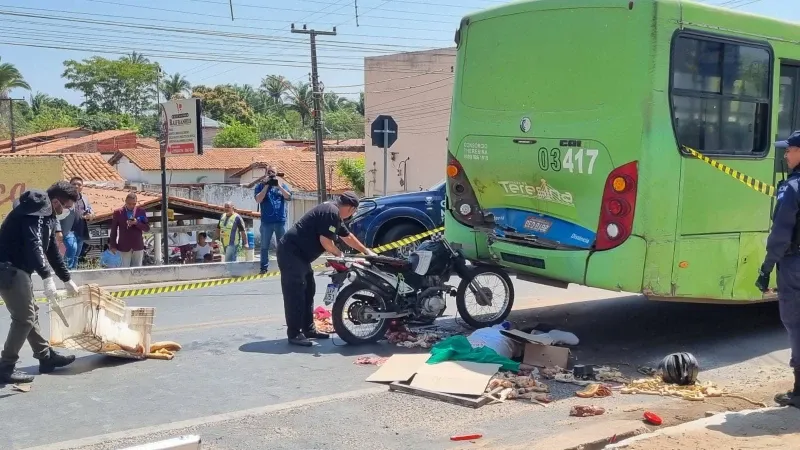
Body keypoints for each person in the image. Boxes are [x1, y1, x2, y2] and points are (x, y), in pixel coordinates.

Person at [0, 181, 81, 383]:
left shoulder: (48, 217)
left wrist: (66, 278)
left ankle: (46, 358)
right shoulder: (37, 207)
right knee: (24, 318)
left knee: (31, 314)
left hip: (17, 268)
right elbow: (34, 243)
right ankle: (5, 366)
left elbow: (51, 249)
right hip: (8, 267)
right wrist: (46, 276)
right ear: (56, 202)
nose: (68, 211)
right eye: (68, 207)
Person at [278, 191, 375, 347]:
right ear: (350, 208)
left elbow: (347, 236)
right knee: (296, 291)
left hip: (301, 257)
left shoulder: (334, 214)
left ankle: (308, 329)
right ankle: (295, 333)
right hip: (291, 253)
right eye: (354, 211)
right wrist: (340, 254)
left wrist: (366, 251)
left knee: (309, 289)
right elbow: (326, 242)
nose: (352, 215)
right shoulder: (331, 212)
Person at [756, 130, 800, 408]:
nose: (785, 155)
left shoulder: (792, 188)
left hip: (795, 265)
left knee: (795, 322)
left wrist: (766, 268)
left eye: (789, 150)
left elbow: (781, 235)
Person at [255, 165, 292, 274]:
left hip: (280, 221)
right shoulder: (260, 186)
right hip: (266, 222)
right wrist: (266, 186)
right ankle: (264, 268)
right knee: (264, 246)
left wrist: (278, 186)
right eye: (269, 172)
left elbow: (289, 197)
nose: (271, 174)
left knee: (282, 246)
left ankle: (284, 266)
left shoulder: (282, 185)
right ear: (266, 173)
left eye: (273, 172)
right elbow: (258, 199)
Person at [109, 192, 150, 267]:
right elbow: (114, 230)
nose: (131, 206)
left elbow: (147, 228)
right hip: (124, 246)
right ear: (125, 202)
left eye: (133, 204)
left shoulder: (141, 211)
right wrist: (113, 245)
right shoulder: (118, 212)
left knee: (137, 271)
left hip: (137, 246)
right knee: (124, 271)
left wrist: (136, 223)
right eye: (129, 203)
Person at [69, 176, 94, 270]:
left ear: (82, 187)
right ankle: (67, 273)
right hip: (69, 231)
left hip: (81, 230)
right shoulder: (65, 198)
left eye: (79, 184)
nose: (76, 186)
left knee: (77, 255)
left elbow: (91, 211)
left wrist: (90, 215)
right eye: (74, 184)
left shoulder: (85, 199)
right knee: (72, 249)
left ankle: (73, 273)